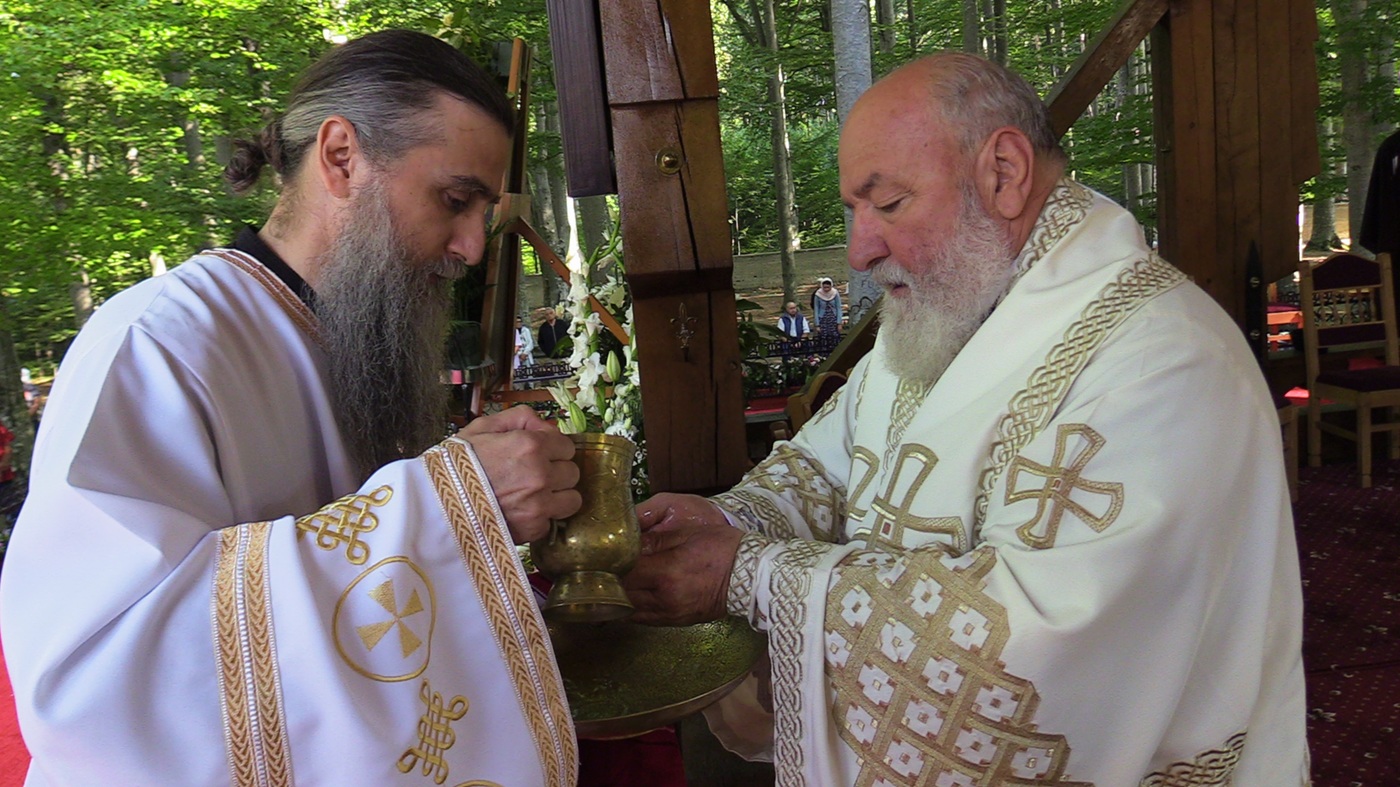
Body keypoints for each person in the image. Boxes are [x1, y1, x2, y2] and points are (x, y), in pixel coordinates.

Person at [622, 52, 1307, 785]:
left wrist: (748, 573)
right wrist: (728, 520)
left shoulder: (1161, 358)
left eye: (889, 204)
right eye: (855, 212)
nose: (859, 250)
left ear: (1004, 173)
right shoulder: (944, 314)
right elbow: (827, 467)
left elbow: (1033, 650)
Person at [0, 31, 584, 786]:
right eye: (454, 200)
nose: (472, 246)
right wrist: (454, 504)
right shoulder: (157, 343)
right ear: (341, 157)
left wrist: (471, 502)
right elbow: (93, 684)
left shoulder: (356, 340)